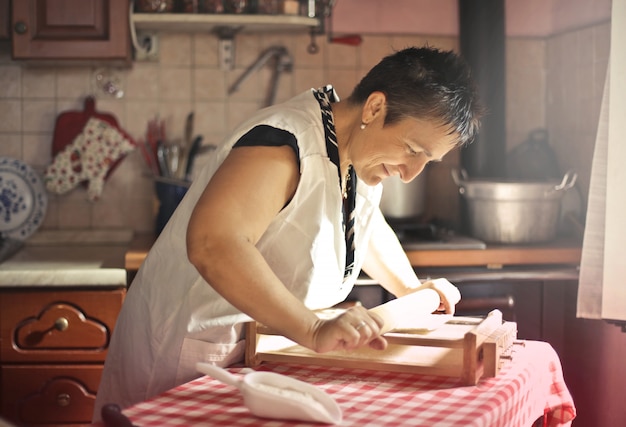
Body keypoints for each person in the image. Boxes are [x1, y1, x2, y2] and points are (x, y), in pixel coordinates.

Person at [93, 45, 482, 420]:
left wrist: (410, 289)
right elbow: (214, 243)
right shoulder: (286, 142)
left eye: (426, 161)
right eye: (413, 149)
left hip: (256, 354)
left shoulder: (354, 151)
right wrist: (313, 329)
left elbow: (361, 221)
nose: (411, 172)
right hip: (188, 358)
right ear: (375, 107)